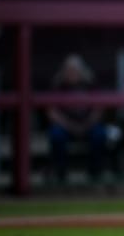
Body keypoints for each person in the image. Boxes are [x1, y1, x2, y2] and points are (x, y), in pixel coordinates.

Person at [46, 53, 108, 184]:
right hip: (65, 126)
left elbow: (99, 109)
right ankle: (60, 173)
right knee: (56, 134)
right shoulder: (58, 85)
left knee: (99, 134)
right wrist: (69, 125)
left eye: (74, 70)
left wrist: (87, 124)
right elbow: (51, 112)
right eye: (68, 70)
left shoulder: (90, 84)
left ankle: (95, 172)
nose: (71, 73)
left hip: (88, 125)